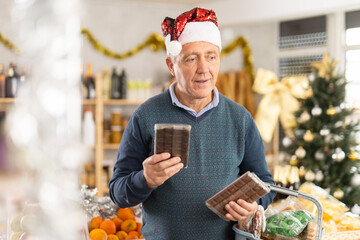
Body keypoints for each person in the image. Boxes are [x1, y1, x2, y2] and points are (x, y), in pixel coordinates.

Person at [109, 7, 275, 239]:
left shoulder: (240, 118)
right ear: (171, 66)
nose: (204, 69)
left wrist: (255, 204)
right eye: (191, 59)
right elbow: (118, 193)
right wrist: (144, 180)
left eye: (211, 56)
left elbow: (266, 183)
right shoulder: (145, 115)